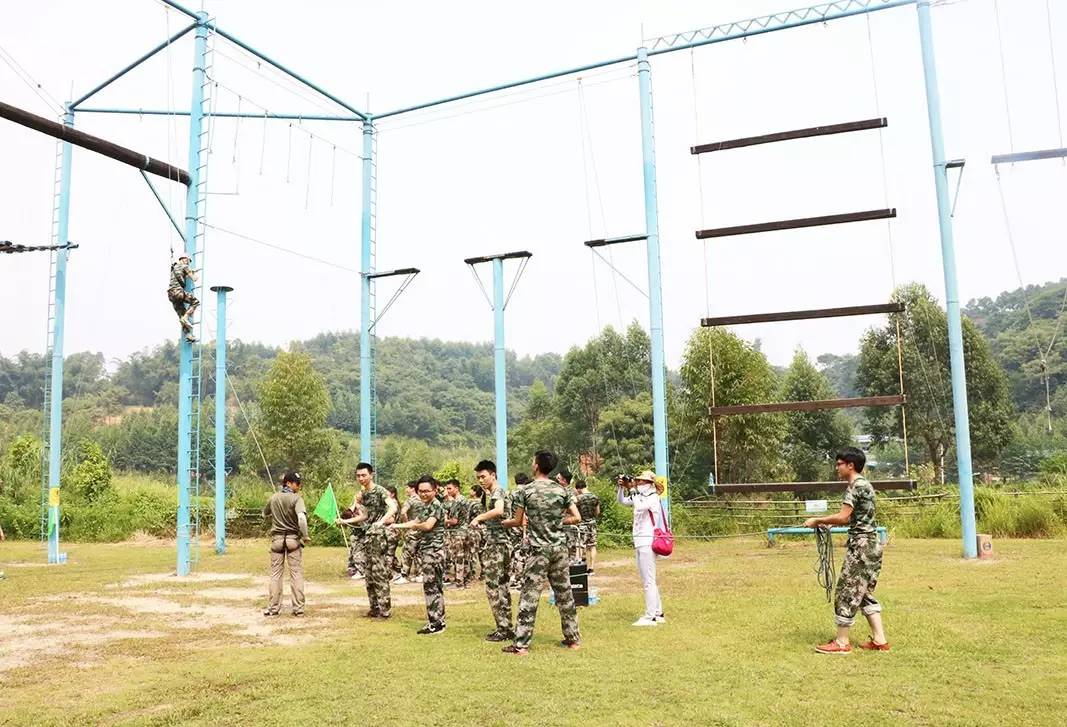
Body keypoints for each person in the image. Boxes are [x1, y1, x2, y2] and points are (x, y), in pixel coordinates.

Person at [803, 447, 890, 654]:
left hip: (861, 547)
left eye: (839, 463)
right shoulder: (865, 485)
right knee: (863, 593)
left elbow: (843, 516)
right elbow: (853, 517)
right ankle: (880, 640)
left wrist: (818, 520)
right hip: (872, 545)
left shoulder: (854, 486)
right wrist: (831, 524)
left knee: (847, 592)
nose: (837, 467)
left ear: (850, 465)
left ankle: (841, 643)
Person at [500, 450, 582, 655]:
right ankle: (573, 639)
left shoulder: (525, 491)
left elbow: (518, 521)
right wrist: (556, 522)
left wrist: (503, 523)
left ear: (536, 466)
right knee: (565, 595)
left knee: (530, 596)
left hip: (538, 552)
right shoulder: (562, 490)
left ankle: (521, 644)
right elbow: (577, 517)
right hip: (560, 549)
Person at [337, 462, 396, 618]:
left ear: (371, 475)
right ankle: (374, 607)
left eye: (364, 475)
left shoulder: (380, 491)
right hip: (367, 536)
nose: (361, 478)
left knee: (379, 572)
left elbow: (393, 507)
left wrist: (381, 522)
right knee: (368, 573)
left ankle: (385, 609)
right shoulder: (363, 494)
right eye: (358, 476)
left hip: (378, 537)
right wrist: (345, 521)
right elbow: (364, 516)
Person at [390, 476, 447, 635]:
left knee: (432, 587)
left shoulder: (436, 506)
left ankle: (436, 623)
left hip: (434, 551)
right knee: (433, 586)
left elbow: (427, 525)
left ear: (435, 490)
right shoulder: (425, 506)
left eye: (427, 491)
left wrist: (414, 526)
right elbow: (414, 521)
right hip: (428, 550)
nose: (423, 494)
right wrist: (396, 525)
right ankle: (437, 621)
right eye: (420, 491)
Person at [470, 460, 514, 642]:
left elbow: (499, 510)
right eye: (478, 477)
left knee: (494, 587)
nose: (481, 480)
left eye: (483, 476)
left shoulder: (497, 491)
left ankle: (503, 628)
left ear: (493, 475)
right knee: (502, 586)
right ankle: (506, 627)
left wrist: (479, 518)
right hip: (500, 543)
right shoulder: (493, 492)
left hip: (498, 545)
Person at [617, 471, 666, 627]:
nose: (640, 484)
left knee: (648, 581)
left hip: (647, 541)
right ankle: (658, 613)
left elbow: (639, 505)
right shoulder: (640, 496)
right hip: (639, 541)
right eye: (638, 482)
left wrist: (632, 489)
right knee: (648, 579)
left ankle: (650, 616)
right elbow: (623, 501)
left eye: (643, 482)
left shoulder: (652, 498)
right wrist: (622, 488)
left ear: (651, 484)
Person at [262, 471, 309, 617]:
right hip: (293, 540)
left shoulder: (274, 497)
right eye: (297, 483)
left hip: (276, 541)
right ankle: (298, 608)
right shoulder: (297, 498)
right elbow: (301, 518)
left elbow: (264, 514)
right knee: (296, 574)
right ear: (288, 483)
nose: (299, 486)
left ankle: (273, 608)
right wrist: (306, 535)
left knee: (276, 575)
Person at [442, 479, 469, 588]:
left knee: (458, 557)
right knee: (464, 556)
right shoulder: (464, 499)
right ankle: (464, 580)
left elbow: (454, 520)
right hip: (465, 530)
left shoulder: (457, 502)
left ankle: (459, 582)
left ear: (456, 488)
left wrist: (443, 521)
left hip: (458, 532)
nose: (448, 491)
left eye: (449, 488)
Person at [167, 254, 199, 343]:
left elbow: (179, 274)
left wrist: (190, 271)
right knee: (195, 302)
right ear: (185, 259)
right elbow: (195, 279)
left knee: (181, 313)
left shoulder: (174, 267)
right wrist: (194, 273)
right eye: (188, 261)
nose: (188, 263)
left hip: (171, 294)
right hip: (178, 292)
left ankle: (188, 335)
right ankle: (186, 317)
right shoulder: (185, 266)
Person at [394, 481, 422, 584]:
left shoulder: (410, 500)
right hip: (422, 529)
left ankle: (404, 575)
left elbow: (403, 512)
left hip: (412, 530)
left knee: (407, 553)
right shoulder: (423, 500)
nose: (406, 490)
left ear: (412, 489)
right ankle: (420, 574)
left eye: (407, 488)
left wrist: (406, 523)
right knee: (419, 553)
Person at [574, 479, 601, 572]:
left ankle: (579, 566)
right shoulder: (595, 497)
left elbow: (575, 513)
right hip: (592, 524)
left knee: (580, 546)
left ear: (578, 489)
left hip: (582, 525)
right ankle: (591, 567)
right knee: (592, 545)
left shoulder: (578, 498)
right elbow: (598, 512)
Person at [556, 469, 581, 562]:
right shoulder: (559, 491)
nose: (556, 480)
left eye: (558, 478)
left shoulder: (570, 492)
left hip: (568, 527)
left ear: (564, 480)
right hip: (559, 527)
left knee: (569, 554)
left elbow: (574, 503)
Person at [467, 484, 485, 581]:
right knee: (482, 551)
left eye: (471, 490)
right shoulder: (483, 503)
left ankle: (472, 573)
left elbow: (470, 517)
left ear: (474, 492)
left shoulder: (473, 504)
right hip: (483, 528)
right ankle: (483, 572)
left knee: (472, 551)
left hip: (475, 529)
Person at [384, 484, 401, 577]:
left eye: (387, 493)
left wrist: (379, 521)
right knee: (390, 552)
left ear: (393, 494)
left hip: (391, 532)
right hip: (391, 531)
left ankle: (387, 574)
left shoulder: (392, 504)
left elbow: (391, 519)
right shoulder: (393, 503)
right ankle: (398, 571)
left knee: (389, 553)